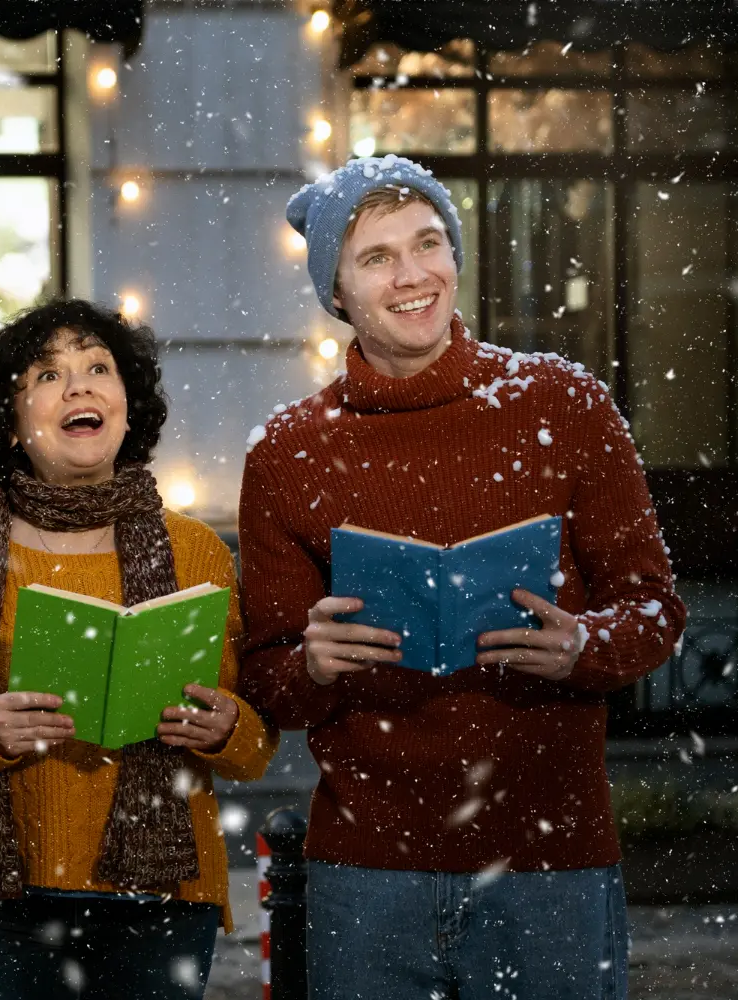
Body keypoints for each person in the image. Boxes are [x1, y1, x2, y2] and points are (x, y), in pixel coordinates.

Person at [238, 155, 686, 1000]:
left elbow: (655, 608)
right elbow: (264, 674)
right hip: (368, 868)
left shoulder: (564, 403)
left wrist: (582, 645)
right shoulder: (289, 450)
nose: (414, 276)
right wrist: (309, 664)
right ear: (336, 292)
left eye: (429, 243)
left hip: (547, 859)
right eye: (377, 257)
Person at [0, 299, 277, 1000]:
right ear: (11, 421)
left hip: (163, 898)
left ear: (128, 405)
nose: (81, 386)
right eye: (49, 375)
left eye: (98, 368)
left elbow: (255, 749)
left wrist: (224, 728)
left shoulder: (198, 553)